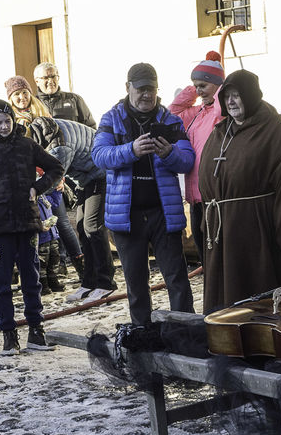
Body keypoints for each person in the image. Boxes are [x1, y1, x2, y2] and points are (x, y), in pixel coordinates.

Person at [197, 69, 281, 313]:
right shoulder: (220, 133)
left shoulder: (278, 133)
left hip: (257, 231)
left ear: (251, 96)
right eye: (227, 96)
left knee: (256, 296)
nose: (231, 101)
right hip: (223, 231)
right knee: (227, 299)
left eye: (237, 95)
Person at [91, 62, 195, 325]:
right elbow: (99, 156)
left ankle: (184, 334)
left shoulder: (170, 120)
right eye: (141, 89)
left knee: (177, 279)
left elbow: (187, 161)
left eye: (151, 89)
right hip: (127, 215)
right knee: (136, 283)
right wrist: (131, 150)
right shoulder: (111, 119)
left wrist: (169, 154)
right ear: (128, 88)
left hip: (164, 213)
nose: (147, 95)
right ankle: (143, 335)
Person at [0, 100, 63, 353]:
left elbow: (56, 167)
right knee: (2, 283)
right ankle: (9, 334)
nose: (4, 126)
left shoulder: (26, 145)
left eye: (7, 121)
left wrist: (38, 187)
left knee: (32, 279)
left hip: (27, 223)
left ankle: (36, 330)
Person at [30, 117, 117, 302]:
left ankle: (106, 283)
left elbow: (54, 175)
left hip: (101, 173)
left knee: (93, 227)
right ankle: (89, 282)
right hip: (87, 178)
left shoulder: (60, 146)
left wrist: (32, 192)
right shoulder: (44, 128)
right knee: (82, 228)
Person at [8, 76, 84, 281]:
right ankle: (48, 272)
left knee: (61, 222)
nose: (22, 97)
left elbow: (58, 147)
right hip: (28, 180)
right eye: (17, 94)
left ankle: (80, 266)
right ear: (10, 99)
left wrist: (58, 176)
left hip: (50, 174)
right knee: (39, 226)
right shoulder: (10, 122)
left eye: (25, 93)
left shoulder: (43, 114)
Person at [169, 52, 226, 260]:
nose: (199, 91)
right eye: (196, 85)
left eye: (203, 85)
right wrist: (194, 88)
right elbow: (172, 115)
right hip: (195, 197)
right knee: (204, 252)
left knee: (218, 253)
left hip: (214, 196)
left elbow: (221, 105)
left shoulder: (219, 112)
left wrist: (219, 87)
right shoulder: (197, 113)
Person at [33, 62, 96, 127]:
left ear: (58, 78)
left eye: (53, 76)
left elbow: (91, 127)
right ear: (37, 81)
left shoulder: (74, 99)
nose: (50, 81)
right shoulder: (33, 103)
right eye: (46, 77)